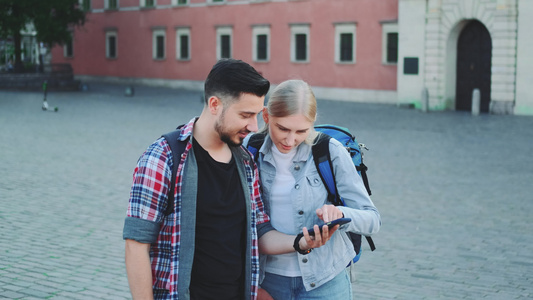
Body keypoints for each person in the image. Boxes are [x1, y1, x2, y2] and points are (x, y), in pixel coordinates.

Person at [123, 59, 332, 300]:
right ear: (215, 104)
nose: (254, 126)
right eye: (246, 114)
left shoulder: (244, 161)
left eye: (256, 115)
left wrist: (301, 242)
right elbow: (136, 244)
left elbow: (260, 229)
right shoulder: (163, 158)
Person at [246, 80, 381, 299]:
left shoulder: (330, 151)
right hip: (267, 280)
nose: (290, 140)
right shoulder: (249, 149)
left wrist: (341, 214)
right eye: (283, 129)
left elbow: (372, 219)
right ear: (266, 116)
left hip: (325, 281)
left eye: (301, 130)